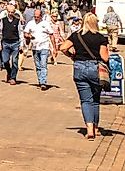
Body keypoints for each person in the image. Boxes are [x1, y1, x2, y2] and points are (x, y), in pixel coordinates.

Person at [60, 13, 109, 141]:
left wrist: (72, 56)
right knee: (95, 99)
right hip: (95, 69)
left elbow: (63, 48)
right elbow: (104, 57)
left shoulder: (76, 35)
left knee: (86, 100)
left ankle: (89, 130)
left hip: (79, 67)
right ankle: (96, 128)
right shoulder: (100, 38)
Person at [23, 8, 55, 91]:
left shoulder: (46, 23)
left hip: (44, 46)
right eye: (35, 16)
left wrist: (54, 47)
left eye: (37, 17)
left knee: (43, 64)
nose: (36, 18)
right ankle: (40, 80)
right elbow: (25, 32)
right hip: (34, 47)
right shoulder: (30, 23)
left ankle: (43, 82)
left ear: (41, 16)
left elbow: (51, 34)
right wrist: (28, 36)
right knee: (38, 65)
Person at [0, 2, 23, 85]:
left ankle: (13, 77)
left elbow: (20, 33)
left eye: (12, 12)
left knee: (15, 61)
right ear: (7, 12)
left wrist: (22, 44)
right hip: (5, 43)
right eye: (9, 12)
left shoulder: (17, 21)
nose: (11, 14)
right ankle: (9, 72)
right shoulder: (3, 20)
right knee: (5, 61)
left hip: (15, 42)